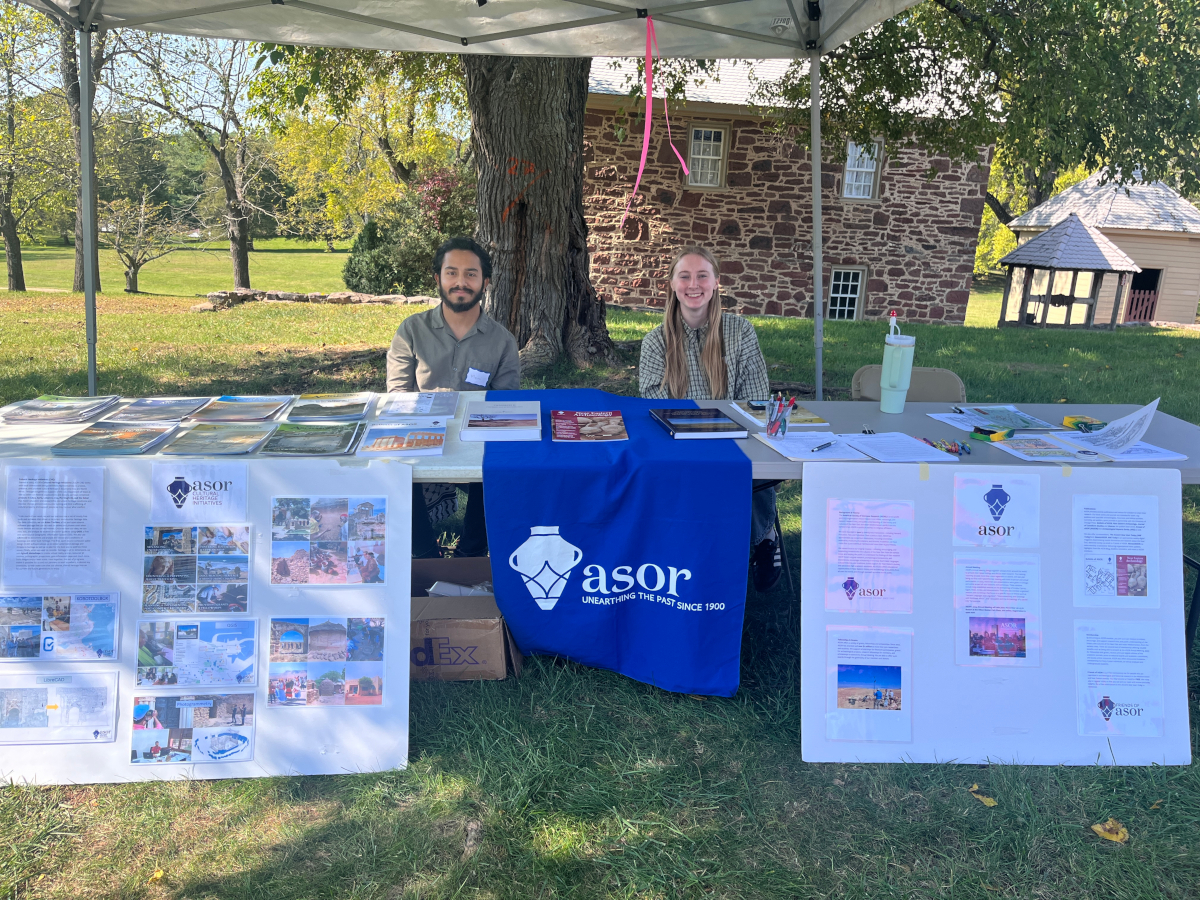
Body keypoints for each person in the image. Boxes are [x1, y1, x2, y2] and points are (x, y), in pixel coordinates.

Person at [638, 245, 782, 592]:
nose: (694, 284)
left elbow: (757, 398)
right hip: (679, 443)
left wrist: (717, 423)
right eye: (684, 276)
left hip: (733, 437)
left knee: (758, 463)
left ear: (717, 282)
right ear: (672, 284)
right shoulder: (656, 341)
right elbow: (653, 400)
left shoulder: (740, 331)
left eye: (702, 275)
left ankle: (764, 537)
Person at [386, 236, 520, 559]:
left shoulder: (503, 342)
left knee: (500, 467)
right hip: (419, 433)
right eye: (452, 273)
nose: (461, 282)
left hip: (477, 439)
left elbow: (504, 410)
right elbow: (398, 398)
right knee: (393, 466)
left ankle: (470, 559)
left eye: (471, 274)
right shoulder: (411, 331)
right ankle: (423, 558)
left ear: (485, 282)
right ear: (438, 278)